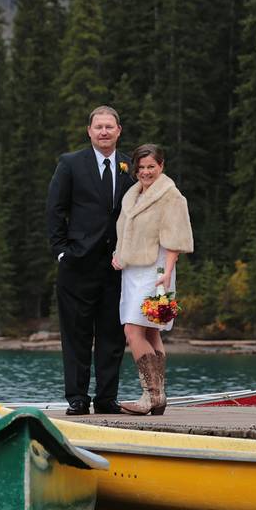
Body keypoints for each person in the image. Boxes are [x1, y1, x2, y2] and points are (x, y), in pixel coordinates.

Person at [46, 106, 132, 415]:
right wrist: (61, 251)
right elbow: (55, 209)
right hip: (77, 265)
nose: (104, 131)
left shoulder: (129, 166)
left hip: (117, 266)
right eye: (99, 127)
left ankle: (107, 398)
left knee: (112, 335)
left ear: (118, 131)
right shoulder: (70, 164)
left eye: (110, 126)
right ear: (90, 131)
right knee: (76, 335)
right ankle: (78, 399)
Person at [111, 144, 193, 415]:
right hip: (132, 270)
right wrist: (118, 254)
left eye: (151, 167)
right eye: (141, 167)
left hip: (156, 270)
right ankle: (159, 397)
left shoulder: (171, 196)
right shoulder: (132, 195)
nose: (146, 172)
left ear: (161, 166)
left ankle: (150, 395)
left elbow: (176, 239)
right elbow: (127, 233)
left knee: (132, 331)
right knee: (151, 330)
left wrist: (167, 273)